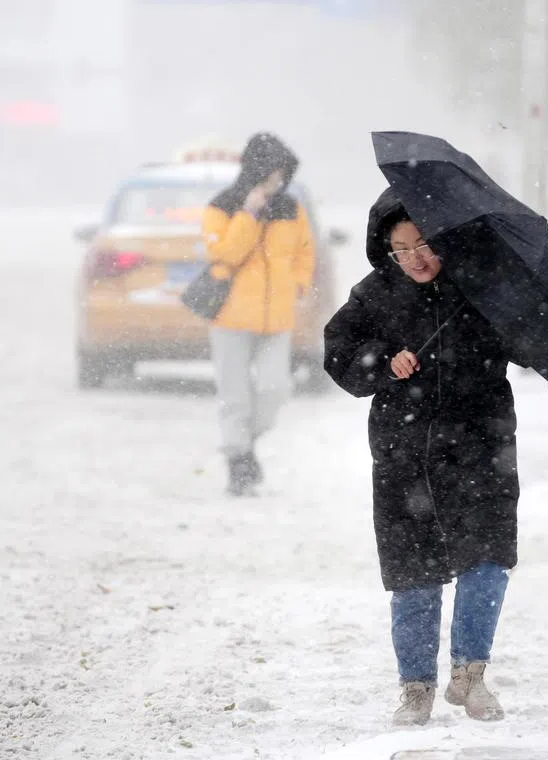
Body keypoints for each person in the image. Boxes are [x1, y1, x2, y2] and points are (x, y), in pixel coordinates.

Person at [323, 188, 519, 726]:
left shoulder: (482, 287)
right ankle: (415, 687)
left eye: (424, 243)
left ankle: (470, 675)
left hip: (481, 446)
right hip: (404, 453)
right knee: (413, 568)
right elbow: (338, 352)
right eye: (401, 249)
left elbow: (525, 343)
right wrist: (384, 360)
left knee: (488, 556)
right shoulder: (374, 295)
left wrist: (503, 321)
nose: (415, 257)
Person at [201, 133, 315, 496]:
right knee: (234, 396)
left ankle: (243, 444)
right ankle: (239, 463)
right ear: (255, 170)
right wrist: (248, 214)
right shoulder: (222, 206)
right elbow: (226, 253)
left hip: (276, 318)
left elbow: (304, 251)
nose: (277, 181)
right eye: (271, 172)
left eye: (282, 173)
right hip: (230, 318)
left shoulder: (291, 208)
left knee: (274, 389)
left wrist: (297, 284)